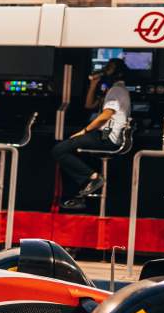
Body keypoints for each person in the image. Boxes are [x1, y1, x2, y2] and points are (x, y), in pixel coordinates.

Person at [51, 58, 131, 209]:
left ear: (118, 73)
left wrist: (84, 131)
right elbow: (89, 105)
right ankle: (82, 192)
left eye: (109, 68)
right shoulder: (112, 90)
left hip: (106, 138)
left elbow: (105, 115)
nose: (105, 70)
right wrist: (94, 84)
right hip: (103, 136)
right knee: (70, 152)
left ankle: (93, 178)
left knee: (59, 150)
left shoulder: (116, 91)